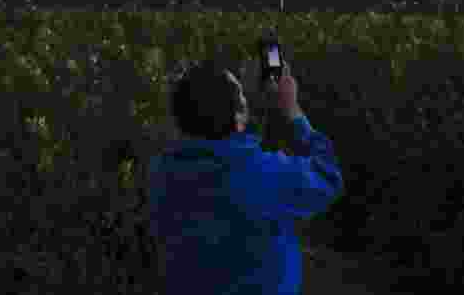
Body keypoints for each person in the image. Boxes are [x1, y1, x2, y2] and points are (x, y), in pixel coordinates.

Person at [147, 58, 343, 295]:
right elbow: (327, 177)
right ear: (238, 115)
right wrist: (292, 111)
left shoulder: (162, 173)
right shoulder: (261, 173)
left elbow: (224, 146)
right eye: (241, 99)